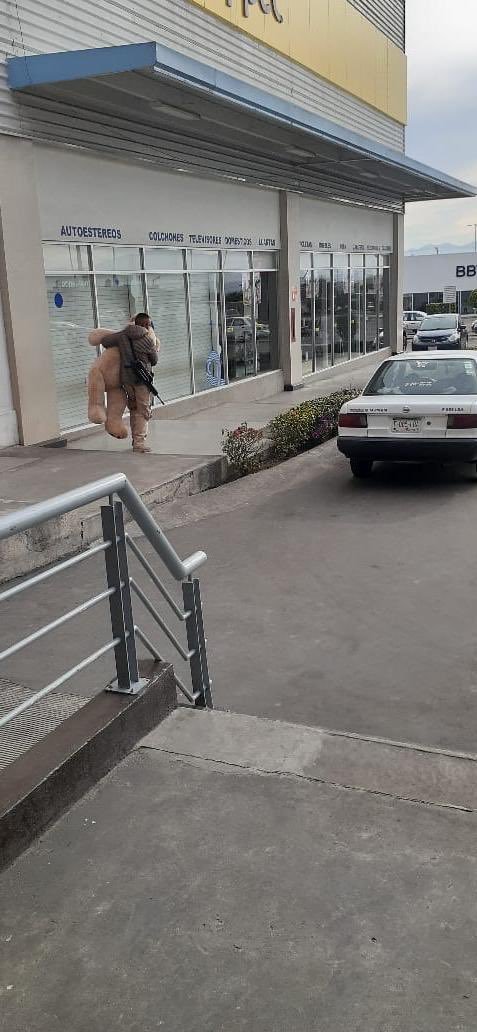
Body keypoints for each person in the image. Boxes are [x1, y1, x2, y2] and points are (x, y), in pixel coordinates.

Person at [100, 314, 160, 453]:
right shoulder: (147, 339)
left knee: (134, 408)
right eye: (149, 324)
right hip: (141, 380)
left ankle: (135, 440)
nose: (149, 327)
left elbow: (105, 341)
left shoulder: (123, 335)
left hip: (126, 379)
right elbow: (154, 360)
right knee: (143, 412)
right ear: (145, 325)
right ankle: (139, 443)